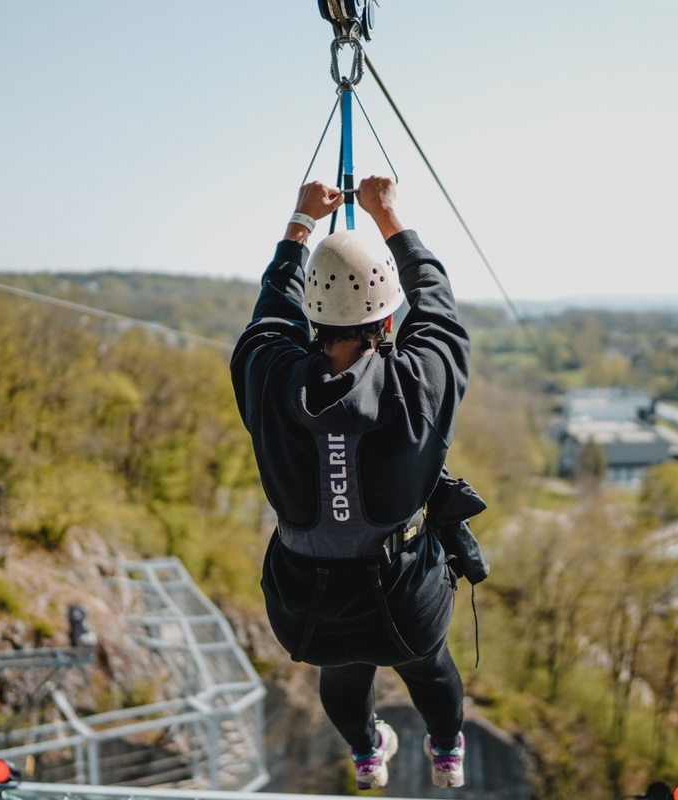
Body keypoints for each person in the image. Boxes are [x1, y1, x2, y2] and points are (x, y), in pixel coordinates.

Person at [231, 176, 483, 790]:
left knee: (342, 668)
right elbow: (441, 313)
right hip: (404, 600)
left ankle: (367, 753)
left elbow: (269, 316)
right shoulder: (416, 383)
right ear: (388, 319)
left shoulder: (269, 377)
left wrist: (301, 222)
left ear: (311, 318)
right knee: (429, 667)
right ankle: (446, 749)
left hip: (307, 607)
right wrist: (388, 217)